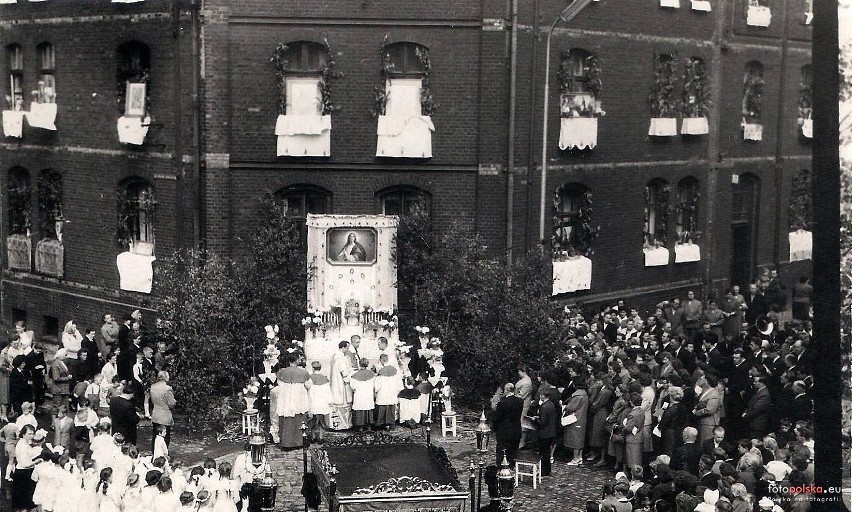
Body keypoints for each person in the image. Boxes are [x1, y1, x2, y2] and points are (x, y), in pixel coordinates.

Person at [276, 354, 312, 449]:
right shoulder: (303, 372)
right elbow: (308, 385)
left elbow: (279, 384)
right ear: (296, 360)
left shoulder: (281, 372)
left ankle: (286, 443)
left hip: (286, 399)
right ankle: (298, 442)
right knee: (299, 417)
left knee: (286, 417)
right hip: (298, 399)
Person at [491, 382, 523, 467]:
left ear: (506, 390)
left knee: (502, 451)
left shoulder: (502, 403)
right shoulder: (520, 401)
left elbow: (497, 418)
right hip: (516, 429)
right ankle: (512, 466)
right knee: (513, 451)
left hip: (504, 431)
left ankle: (502, 468)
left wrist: (495, 428)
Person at [12, 424, 40, 512]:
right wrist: (36, 461)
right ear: (23, 434)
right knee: (24, 503)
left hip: (23, 472)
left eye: (33, 434)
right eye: (29, 434)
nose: (32, 436)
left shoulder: (24, 442)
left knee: (25, 502)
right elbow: (24, 463)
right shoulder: (22, 445)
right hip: (24, 474)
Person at [563, 377, 590, 466]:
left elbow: (570, 407)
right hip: (582, 418)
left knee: (575, 439)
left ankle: (575, 458)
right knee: (580, 438)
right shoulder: (584, 394)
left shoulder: (577, 396)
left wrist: (564, 406)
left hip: (575, 418)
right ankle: (580, 457)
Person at [533, 388, 558, 477]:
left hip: (544, 433)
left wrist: (535, 419)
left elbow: (542, 422)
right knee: (547, 453)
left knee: (543, 453)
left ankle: (543, 471)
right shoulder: (551, 404)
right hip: (551, 431)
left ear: (543, 396)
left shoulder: (544, 406)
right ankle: (547, 470)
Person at [328, 341, 353, 430]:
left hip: (335, 384)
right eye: (347, 348)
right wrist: (349, 378)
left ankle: (337, 425)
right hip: (341, 384)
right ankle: (344, 425)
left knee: (337, 404)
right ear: (343, 347)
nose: (347, 350)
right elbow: (344, 372)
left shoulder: (334, 356)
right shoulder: (340, 358)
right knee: (344, 404)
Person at [150, 371, 176, 452]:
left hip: (155, 414)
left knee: (155, 436)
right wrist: (174, 401)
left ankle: (155, 454)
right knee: (165, 438)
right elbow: (172, 404)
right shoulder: (167, 389)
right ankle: (162, 457)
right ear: (165, 377)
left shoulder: (153, 387)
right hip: (164, 415)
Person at [307, 361, 331, 443]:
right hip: (322, 402)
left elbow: (308, 388)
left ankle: (313, 437)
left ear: (313, 368)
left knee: (313, 420)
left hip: (313, 401)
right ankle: (320, 437)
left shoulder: (309, 378)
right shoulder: (325, 378)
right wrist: (329, 400)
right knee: (321, 420)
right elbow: (328, 391)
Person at [373, 355, 400, 430]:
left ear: (381, 361)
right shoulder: (394, 370)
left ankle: (380, 425)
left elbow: (377, 386)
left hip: (383, 395)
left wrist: (375, 390)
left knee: (381, 409)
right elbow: (397, 384)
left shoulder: (381, 372)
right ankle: (391, 424)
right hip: (391, 394)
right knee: (390, 409)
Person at [109, 380, 139, 446]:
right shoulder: (128, 405)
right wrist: (138, 416)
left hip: (116, 428)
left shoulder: (113, 400)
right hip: (127, 431)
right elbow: (134, 419)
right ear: (131, 394)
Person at [350, 359, 376, 432]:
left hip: (359, 395)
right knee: (368, 408)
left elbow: (353, 387)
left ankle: (360, 427)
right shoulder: (372, 374)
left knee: (360, 409)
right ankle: (369, 427)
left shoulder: (354, 375)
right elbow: (374, 385)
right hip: (368, 395)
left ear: (359, 364)